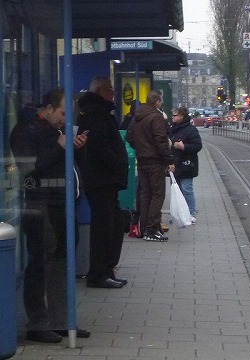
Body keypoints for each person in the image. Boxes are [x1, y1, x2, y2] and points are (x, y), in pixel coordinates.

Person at [21, 88, 90, 343]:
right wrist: (60, 146)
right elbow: (30, 168)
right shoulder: (27, 131)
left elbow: (66, 165)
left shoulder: (56, 132)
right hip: (43, 206)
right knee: (40, 263)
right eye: (62, 113)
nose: (65, 119)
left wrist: (75, 148)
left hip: (64, 205)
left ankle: (62, 320)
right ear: (48, 109)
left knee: (62, 263)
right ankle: (37, 322)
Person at [76, 76, 129, 289]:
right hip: (102, 178)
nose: (113, 94)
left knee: (111, 223)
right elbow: (99, 146)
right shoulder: (95, 113)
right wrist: (117, 164)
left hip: (104, 179)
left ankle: (106, 270)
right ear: (99, 91)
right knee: (104, 226)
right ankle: (98, 273)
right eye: (109, 89)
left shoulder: (97, 111)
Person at [126, 90, 174, 242]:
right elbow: (161, 139)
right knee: (158, 194)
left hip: (142, 160)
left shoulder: (137, 117)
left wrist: (140, 148)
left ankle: (144, 227)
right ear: (157, 101)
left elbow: (129, 137)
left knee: (145, 194)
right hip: (155, 161)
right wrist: (168, 159)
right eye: (161, 101)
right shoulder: (156, 117)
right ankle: (152, 229)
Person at [170, 106, 203, 223]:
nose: (172, 117)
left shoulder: (191, 130)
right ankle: (179, 213)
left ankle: (191, 212)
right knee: (176, 190)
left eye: (175, 115)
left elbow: (198, 146)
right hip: (175, 164)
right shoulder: (172, 129)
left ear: (182, 117)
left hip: (187, 164)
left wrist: (183, 147)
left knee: (186, 188)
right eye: (172, 115)